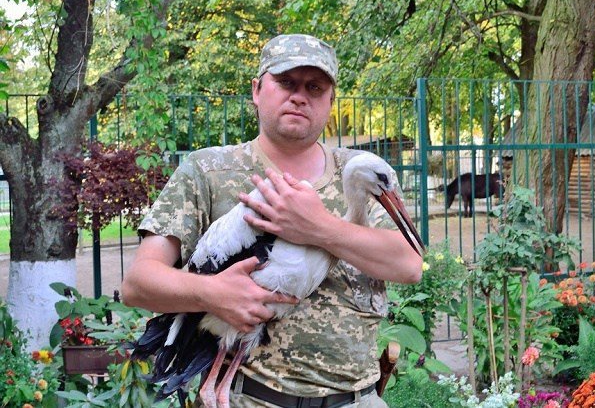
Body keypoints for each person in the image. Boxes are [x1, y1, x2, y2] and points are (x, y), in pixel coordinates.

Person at [122, 33, 423, 407]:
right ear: (257, 90)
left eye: (314, 87)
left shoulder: (360, 171)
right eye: (286, 82)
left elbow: (409, 265)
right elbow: (138, 285)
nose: (299, 97)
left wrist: (318, 227)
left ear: (331, 102)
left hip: (356, 400)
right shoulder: (208, 169)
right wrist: (209, 292)